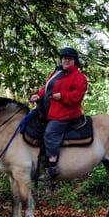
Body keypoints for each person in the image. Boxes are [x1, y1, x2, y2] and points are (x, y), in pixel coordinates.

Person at [30, 47, 88, 180]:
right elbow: (46, 88)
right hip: (47, 111)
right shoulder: (57, 72)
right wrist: (38, 95)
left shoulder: (79, 77)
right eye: (64, 58)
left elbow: (77, 96)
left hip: (65, 113)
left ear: (75, 61)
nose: (66, 60)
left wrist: (62, 96)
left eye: (69, 59)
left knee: (50, 132)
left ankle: (52, 166)